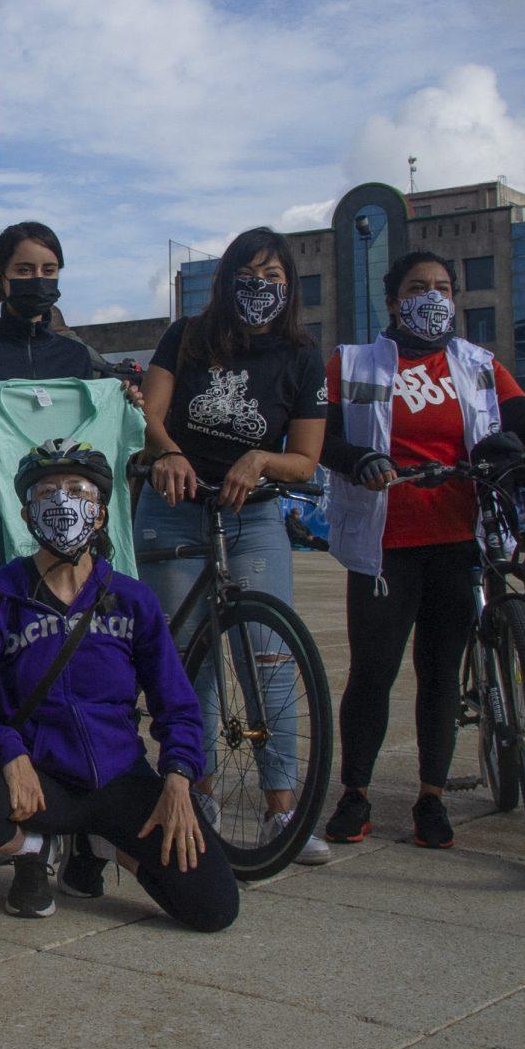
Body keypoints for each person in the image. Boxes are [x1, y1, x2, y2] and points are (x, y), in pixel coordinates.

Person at [320, 249, 525, 852]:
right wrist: (358, 459)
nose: (433, 296)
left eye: (444, 286)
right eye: (417, 286)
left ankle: (431, 795)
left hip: (457, 538)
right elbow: (319, 436)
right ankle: (356, 792)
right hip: (385, 544)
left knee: (440, 675)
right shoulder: (352, 363)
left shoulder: (478, 364)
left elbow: (524, 419)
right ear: (393, 298)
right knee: (372, 673)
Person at [0, 440, 237, 929]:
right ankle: (35, 848)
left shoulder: (132, 600)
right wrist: (8, 752)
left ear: (100, 513)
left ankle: (103, 844)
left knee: (213, 906)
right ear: (28, 513)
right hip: (39, 776)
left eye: (78, 490)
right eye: (47, 491)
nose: (63, 501)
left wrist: (179, 776)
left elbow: (177, 703)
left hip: (119, 777)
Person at [137, 227, 329, 865]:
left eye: (274, 278)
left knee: (268, 660)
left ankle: (283, 808)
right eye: (249, 275)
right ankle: (197, 791)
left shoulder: (302, 356)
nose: (261, 288)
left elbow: (305, 461)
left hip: (254, 518)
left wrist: (262, 460)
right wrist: (166, 454)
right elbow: (152, 417)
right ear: (225, 281)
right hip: (175, 513)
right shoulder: (186, 336)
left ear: (291, 287)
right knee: (190, 660)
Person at [0, 221, 114, 591]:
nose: (38, 278)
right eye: (24, 270)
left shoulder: (76, 358)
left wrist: (125, 403)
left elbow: (90, 446)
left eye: (48, 270)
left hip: (63, 517)